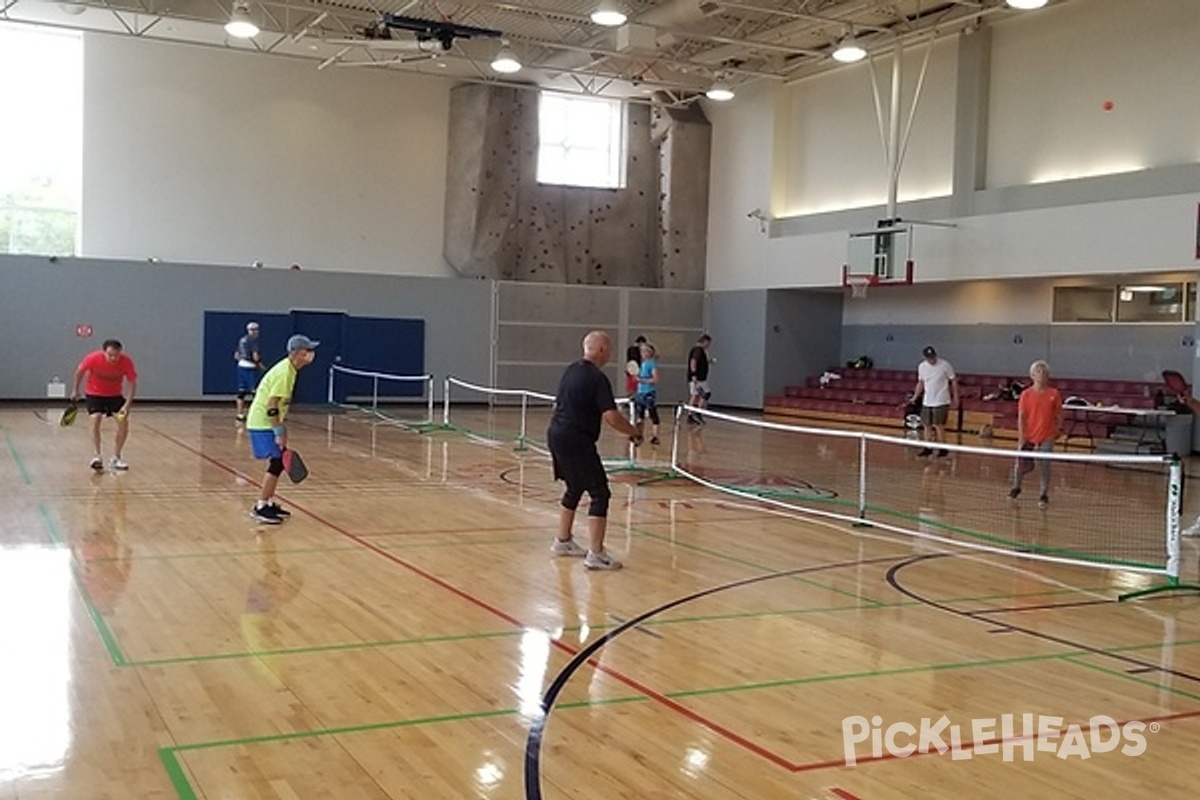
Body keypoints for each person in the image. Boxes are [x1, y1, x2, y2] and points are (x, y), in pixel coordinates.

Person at [547, 330, 643, 570]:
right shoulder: (597, 378)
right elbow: (611, 416)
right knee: (600, 493)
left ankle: (563, 541)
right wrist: (634, 431)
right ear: (600, 350)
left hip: (556, 434)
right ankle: (596, 554)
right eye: (609, 348)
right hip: (575, 439)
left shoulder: (571, 370)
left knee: (575, 486)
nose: (611, 353)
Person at [245, 334, 319, 524]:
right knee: (276, 462)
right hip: (262, 423)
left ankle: (268, 502)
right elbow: (272, 405)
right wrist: (277, 431)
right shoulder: (284, 372)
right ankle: (261, 506)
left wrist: (281, 429)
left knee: (277, 463)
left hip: (268, 422)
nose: (312, 354)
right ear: (299, 353)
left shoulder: (291, 370)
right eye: (309, 350)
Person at [71, 339, 139, 471]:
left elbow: (132, 383)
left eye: (116, 355)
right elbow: (79, 372)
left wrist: (127, 404)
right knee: (95, 419)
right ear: (104, 352)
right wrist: (75, 390)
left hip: (114, 396)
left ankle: (116, 457)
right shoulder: (92, 358)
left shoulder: (126, 362)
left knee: (123, 422)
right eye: (110, 355)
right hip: (94, 394)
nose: (113, 358)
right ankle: (97, 456)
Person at [1008, 360, 1063, 508]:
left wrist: (1058, 429)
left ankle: (1043, 494)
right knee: (1020, 464)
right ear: (1032, 375)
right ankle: (1016, 487)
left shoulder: (1054, 394)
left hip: (1047, 435)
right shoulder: (1026, 395)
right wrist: (1021, 437)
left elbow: (1059, 414)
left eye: (1045, 372)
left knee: (1044, 465)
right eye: (1038, 372)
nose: (1042, 375)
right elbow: (1021, 417)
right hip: (1029, 435)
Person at [906, 345, 959, 457]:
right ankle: (927, 447)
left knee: (938, 424)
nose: (931, 359)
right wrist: (915, 397)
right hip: (927, 400)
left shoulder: (945, 365)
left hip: (941, 400)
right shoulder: (922, 367)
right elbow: (921, 383)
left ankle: (943, 448)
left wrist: (956, 397)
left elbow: (953, 381)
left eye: (933, 356)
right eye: (929, 357)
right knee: (926, 424)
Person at [234, 321, 264, 422]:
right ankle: (256, 414)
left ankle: (240, 414)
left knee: (241, 392)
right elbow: (255, 356)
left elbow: (236, 355)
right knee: (255, 392)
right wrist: (260, 365)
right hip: (250, 367)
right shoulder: (253, 341)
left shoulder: (241, 340)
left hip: (241, 365)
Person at [634, 341, 661, 446]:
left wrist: (642, 380)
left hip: (649, 393)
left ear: (649, 352)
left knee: (653, 414)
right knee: (639, 416)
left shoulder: (652, 363)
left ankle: (655, 436)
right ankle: (639, 435)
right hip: (640, 393)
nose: (642, 353)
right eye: (642, 351)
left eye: (645, 351)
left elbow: (655, 379)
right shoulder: (643, 363)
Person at [687, 333, 713, 424]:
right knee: (705, 393)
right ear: (704, 341)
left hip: (699, 377)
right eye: (708, 343)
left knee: (695, 395)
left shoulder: (697, 350)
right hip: (698, 378)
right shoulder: (698, 350)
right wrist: (694, 375)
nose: (708, 346)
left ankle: (690, 415)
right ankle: (697, 412)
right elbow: (693, 361)